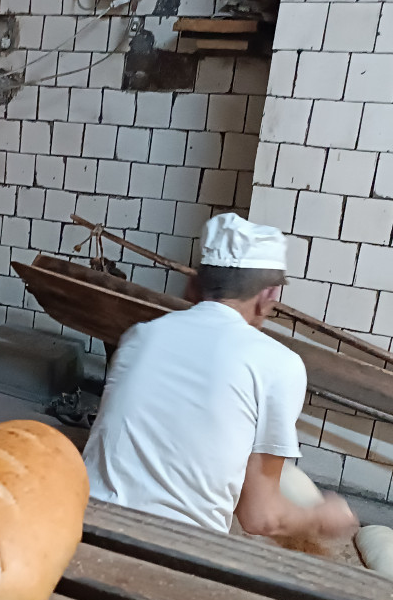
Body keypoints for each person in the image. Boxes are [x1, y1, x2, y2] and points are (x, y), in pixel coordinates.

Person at [83, 213, 359, 540]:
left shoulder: (139, 337)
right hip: (172, 554)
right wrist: (320, 518)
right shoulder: (278, 364)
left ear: (193, 285)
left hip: (81, 528)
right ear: (268, 297)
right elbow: (261, 518)